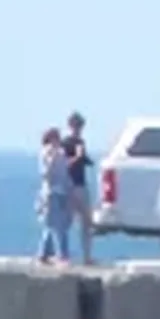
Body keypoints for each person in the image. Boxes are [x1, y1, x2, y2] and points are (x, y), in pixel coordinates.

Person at [61, 112, 95, 265]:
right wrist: (77, 156)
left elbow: (83, 159)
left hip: (79, 185)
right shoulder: (65, 143)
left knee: (86, 222)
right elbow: (63, 164)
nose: (79, 129)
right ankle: (63, 255)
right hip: (71, 185)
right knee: (67, 222)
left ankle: (86, 256)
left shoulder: (80, 141)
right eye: (77, 126)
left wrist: (86, 159)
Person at [37, 127, 74, 265]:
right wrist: (52, 158)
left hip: (61, 191)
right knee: (58, 225)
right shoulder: (46, 153)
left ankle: (43, 253)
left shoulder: (61, 153)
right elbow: (46, 173)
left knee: (53, 224)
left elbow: (64, 172)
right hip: (51, 192)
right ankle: (62, 255)